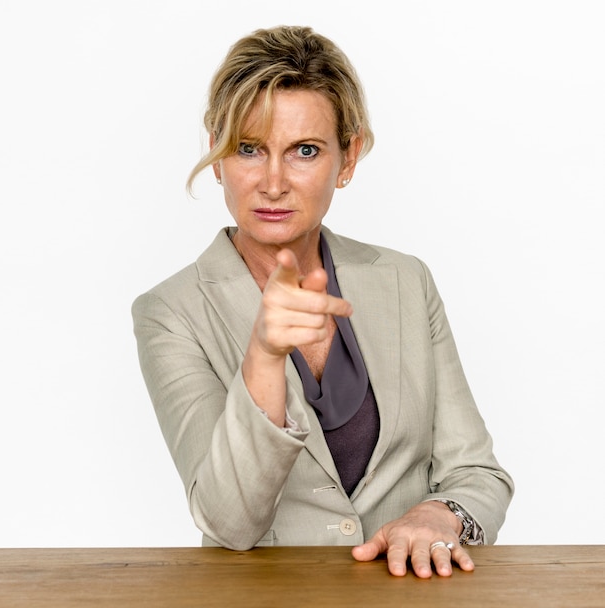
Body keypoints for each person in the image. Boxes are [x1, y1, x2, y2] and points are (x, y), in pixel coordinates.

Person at [132, 25, 514, 578]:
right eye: (248, 148)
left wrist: (438, 514)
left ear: (349, 156)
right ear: (216, 155)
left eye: (304, 151)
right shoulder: (169, 312)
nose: (272, 182)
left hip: (410, 595)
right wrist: (263, 357)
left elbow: (478, 473)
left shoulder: (405, 280)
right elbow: (228, 524)